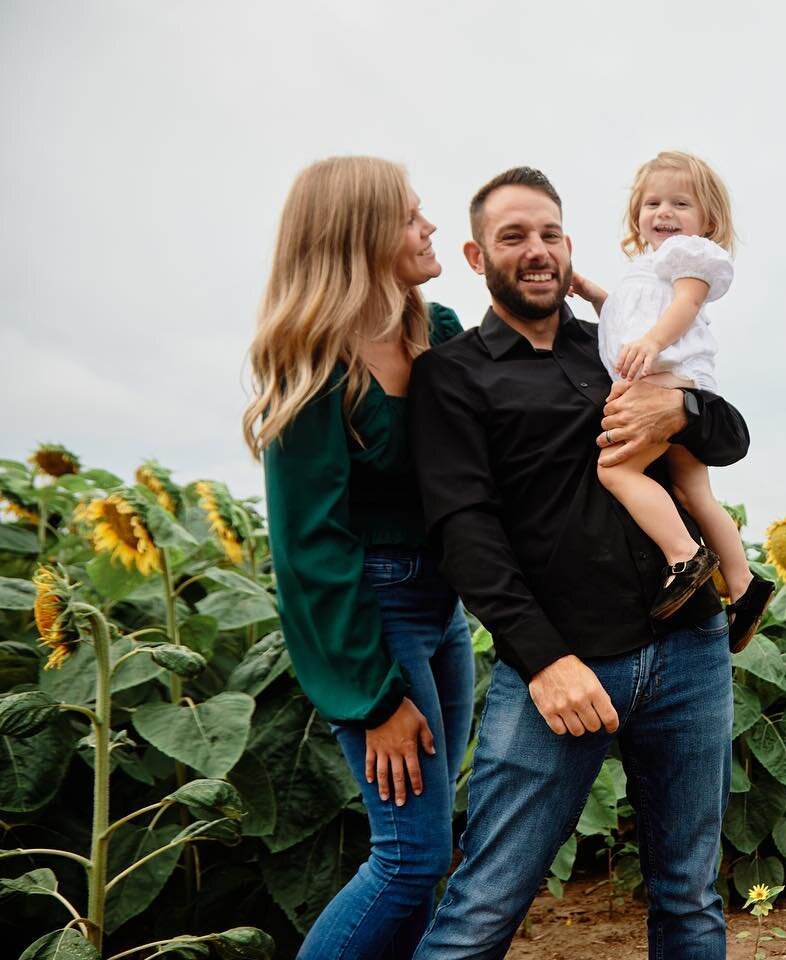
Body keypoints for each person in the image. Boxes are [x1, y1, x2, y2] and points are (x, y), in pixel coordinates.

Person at [408, 166, 749, 960]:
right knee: (484, 906)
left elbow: (727, 436)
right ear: (475, 253)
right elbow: (466, 535)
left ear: (570, 244)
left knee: (690, 898)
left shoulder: (617, 336)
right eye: (513, 236)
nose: (537, 251)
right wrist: (544, 660)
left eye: (550, 233)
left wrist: (684, 408)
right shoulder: (453, 375)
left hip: (689, 653)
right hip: (564, 666)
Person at [242, 156, 474, 960]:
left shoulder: (434, 332)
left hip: (443, 614)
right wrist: (375, 700)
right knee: (409, 857)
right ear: (362, 235)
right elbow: (311, 553)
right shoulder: (315, 366)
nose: (431, 227)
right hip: (372, 617)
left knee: (429, 853)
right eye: (413, 216)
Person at [570, 151, 773, 650]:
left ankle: (684, 555)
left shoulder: (692, 257)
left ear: (708, 221)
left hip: (666, 382)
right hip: (674, 380)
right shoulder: (646, 271)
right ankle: (744, 586)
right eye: (652, 202)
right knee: (692, 492)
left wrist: (654, 344)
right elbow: (626, 319)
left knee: (616, 470)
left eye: (680, 203)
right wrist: (598, 296)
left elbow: (683, 306)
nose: (664, 212)